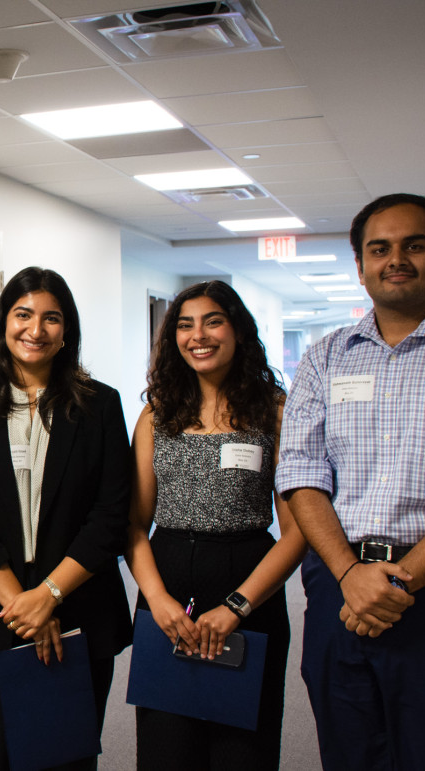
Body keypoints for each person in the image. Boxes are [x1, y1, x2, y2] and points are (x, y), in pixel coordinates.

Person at [277, 193, 425, 770]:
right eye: (378, 248)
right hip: (338, 589)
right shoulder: (323, 359)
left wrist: (397, 583)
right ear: (359, 266)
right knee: (348, 750)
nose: (396, 259)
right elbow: (302, 475)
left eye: (414, 245)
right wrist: (349, 575)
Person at [0, 267, 132, 770]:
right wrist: (23, 609)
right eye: (23, 314)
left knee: (65, 756)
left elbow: (110, 516)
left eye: (52, 318)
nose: (36, 329)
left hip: (80, 606)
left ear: (66, 331)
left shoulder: (101, 405)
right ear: (3, 321)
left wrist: (48, 597)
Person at [125, 280, 306, 770]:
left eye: (212, 321)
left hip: (250, 585)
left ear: (238, 331)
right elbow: (134, 526)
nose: (197, 336)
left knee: (242, 749)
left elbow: (297, 532)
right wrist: (158, 602)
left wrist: (237, 607)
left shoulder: (273, 410)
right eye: (184, 325)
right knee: (167, 748)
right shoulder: (156, 413)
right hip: (168, 586)